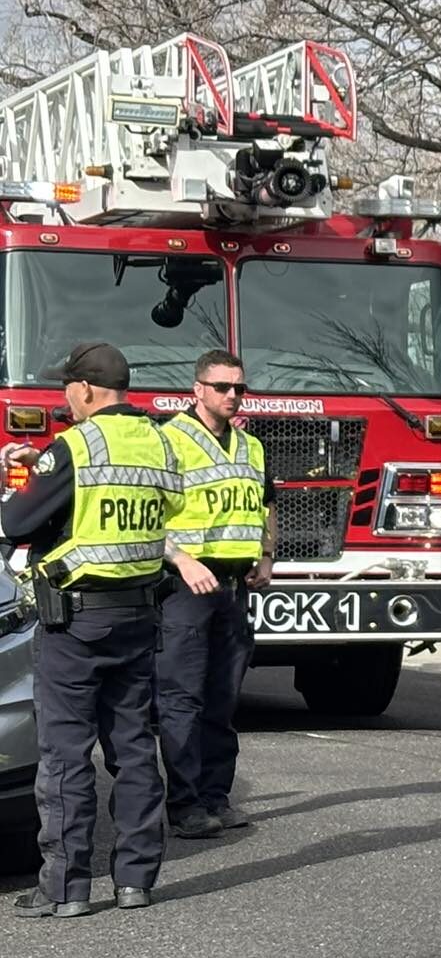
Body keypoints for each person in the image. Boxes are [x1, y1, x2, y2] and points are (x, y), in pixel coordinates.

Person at [5, 342, 182, 918]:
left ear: (84, 389)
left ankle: (64, 888)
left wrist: (33, 481)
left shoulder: (76, 445)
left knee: (64, 756)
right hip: (138, 614)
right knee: (133, 751)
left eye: (67, 390)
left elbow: (15, 522)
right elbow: (165, 506)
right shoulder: (160, 441)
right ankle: (135, 881)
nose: (65, 399)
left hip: (76, 623)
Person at [157, 350, 276, 838]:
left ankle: (215, 797)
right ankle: (184, 805)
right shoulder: (168, 442)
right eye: (222, 386)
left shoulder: (252, 446)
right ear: (197, 389)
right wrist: (182, 560)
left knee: (223, 699)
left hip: (234, 588)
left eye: (239, 388)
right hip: (185, 587)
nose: (232, 395)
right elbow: (149, 516)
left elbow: (267, 505)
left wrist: (267, 557)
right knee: (180, 699)